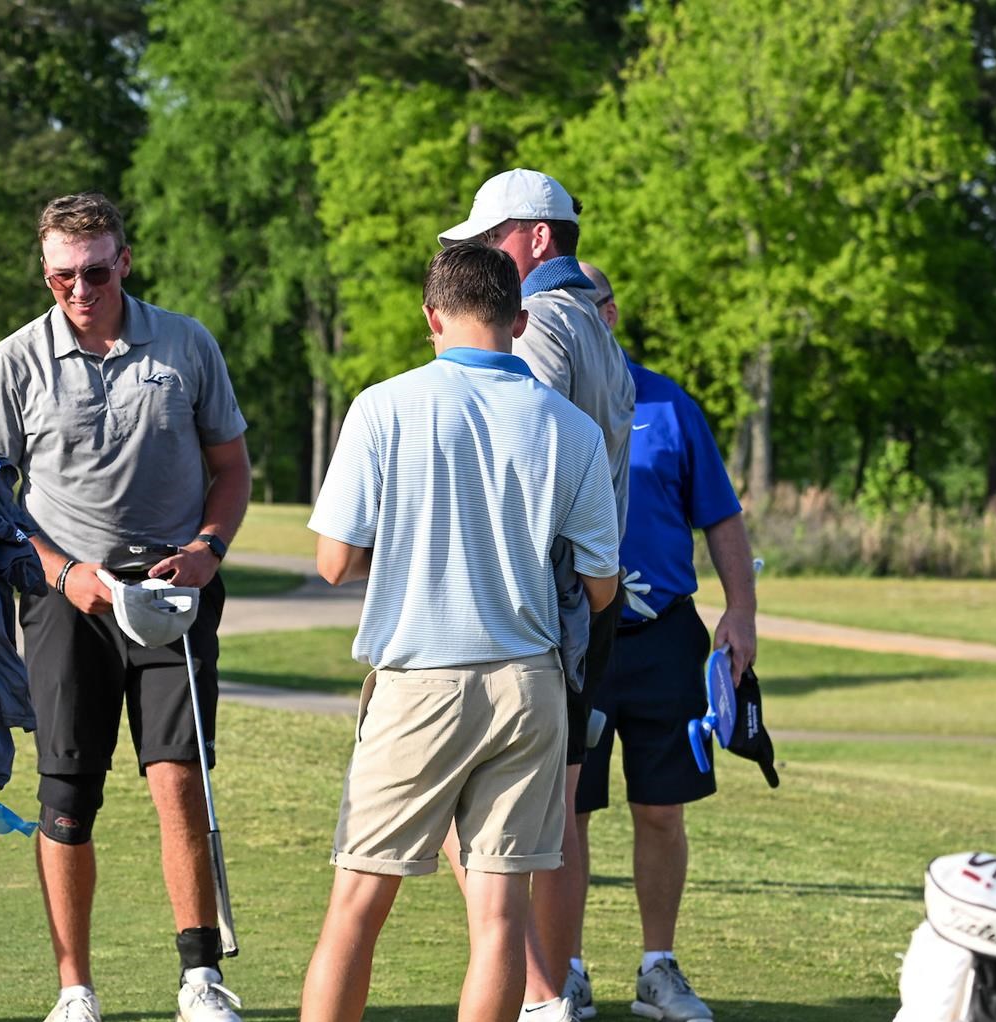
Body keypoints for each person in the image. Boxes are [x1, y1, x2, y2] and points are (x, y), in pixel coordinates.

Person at [301, 244, 621, 1022]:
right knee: (499, 918)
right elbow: (603, 583)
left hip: (420, 683)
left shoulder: (383, 406)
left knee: (357, 904)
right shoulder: (569, 426)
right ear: (519, 319)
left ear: (431, 316)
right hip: (529, 685)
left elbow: (334, 561)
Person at [0, 192, 252, 1022]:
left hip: (176, 594)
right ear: (45, 273)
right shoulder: (12, 360)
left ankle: (201, 978)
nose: (80, 290)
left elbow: (231, 469)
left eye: (94, 271)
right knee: (66, 797)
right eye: (62, 278)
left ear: (123, 260)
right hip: (68, 604)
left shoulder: (187, 343)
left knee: (179, 781)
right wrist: (59, 574)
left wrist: (210, 550)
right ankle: (74, 989)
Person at [439, 168, 633, 1011]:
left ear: (539, 238)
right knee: (542, 816)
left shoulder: (548, 320)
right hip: (577, 606)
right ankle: (547, 989)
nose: (484, 255)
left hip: (527, 604)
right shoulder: (595, 324)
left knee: (469, 813)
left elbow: (526, 450)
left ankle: (536, 990)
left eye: (495, 238)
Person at [565, 262, 760, 1022]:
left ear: (608, 313)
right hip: (575, 637)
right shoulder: (543, 400)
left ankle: (656, 968)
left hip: (665, 637)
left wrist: (740, 611)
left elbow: (722, 518)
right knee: (567, 812)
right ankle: (566, 970)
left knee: (662, 809)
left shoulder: (669, 404)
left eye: (580, 306)